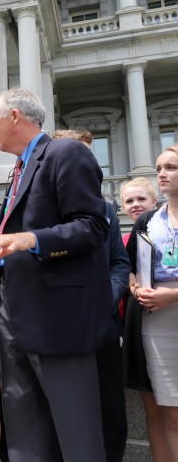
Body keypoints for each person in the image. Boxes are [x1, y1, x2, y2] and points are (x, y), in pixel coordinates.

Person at [0, 88, 113, 461]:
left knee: (76, 432)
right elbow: (6, 240)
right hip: (13, 320)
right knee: (24, 432)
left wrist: (32, 239)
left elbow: (92, 227)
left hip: (57, 323)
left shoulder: (67, 153)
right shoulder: (19, 169)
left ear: (15, 116)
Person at [52, 129, 130, 462]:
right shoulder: (41, 207)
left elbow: (119, 264)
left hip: (102, 328)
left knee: (109, 413)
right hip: (55, 330)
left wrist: (103, 304)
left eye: (88, 155)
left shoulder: (107, 209)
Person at [126, 144, 178, 462]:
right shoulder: (147, 221)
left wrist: (173, 294)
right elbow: (130, 268)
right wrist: (137, 291)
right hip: (157, 322)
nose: (161, 173)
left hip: (170, 301)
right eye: (159, 168)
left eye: (170, 167)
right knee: (171, 414)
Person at [120, 177, 169, 462]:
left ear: (154, 201)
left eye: (141, 199)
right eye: (129, 201)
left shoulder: (166, 230)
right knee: (152, 409)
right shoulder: (124, 239)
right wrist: (136, 288)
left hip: (168, 318)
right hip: (139, 323)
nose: (136, 205)